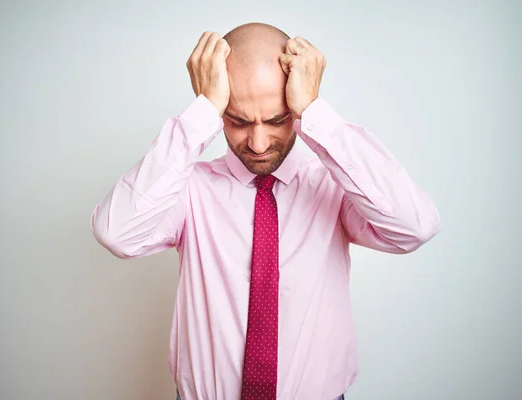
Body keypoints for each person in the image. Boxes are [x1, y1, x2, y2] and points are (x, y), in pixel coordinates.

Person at [90, 22, 440, 400]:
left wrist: (316, 114)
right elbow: (117, 232)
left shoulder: (335, 186)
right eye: (237, 121)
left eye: (277, 120)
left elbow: (415, 226)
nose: (257, 143)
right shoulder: (189, 188)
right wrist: (202, 112)